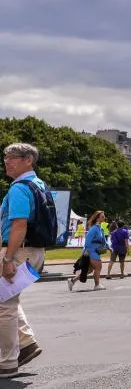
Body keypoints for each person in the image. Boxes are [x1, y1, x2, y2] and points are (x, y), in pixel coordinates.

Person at [0, 143, 51, 376]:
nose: (7, 161)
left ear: (28, 160)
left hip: (19, 251)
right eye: (5, 157)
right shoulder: (39, 185)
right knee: (7, 300)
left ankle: (8, 361)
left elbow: (19, 225)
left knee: (4, 306)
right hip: (35, 251)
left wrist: (8, 258)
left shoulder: (19, 188)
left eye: (13, 157)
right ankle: (26, 342)